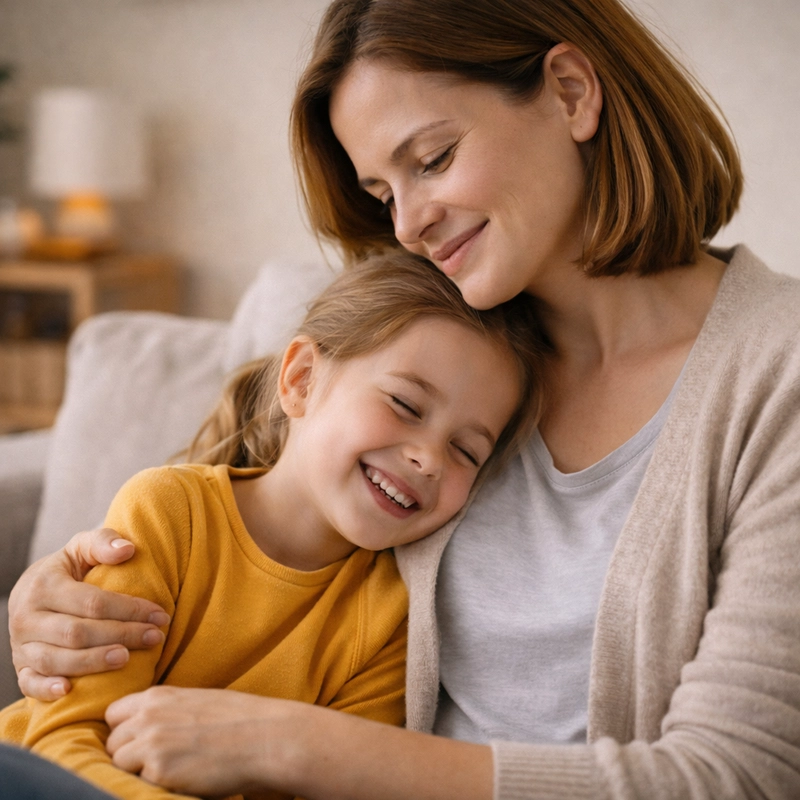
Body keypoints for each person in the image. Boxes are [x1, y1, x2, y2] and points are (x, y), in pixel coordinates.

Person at [8, 0, 800, 798]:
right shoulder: (450, 352)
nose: (411, 224)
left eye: (434, 157)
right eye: (383, 193)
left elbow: (741, 777)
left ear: (569, 91)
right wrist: (68, 597)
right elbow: (249, 517)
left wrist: (301, 748)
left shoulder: (777, 376)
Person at [0, 252, 543, 799]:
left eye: (466, 451)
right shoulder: (168, 511)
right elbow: (65, 739)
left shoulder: (388, 620)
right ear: (302, 380)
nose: (429, 459)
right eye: (405, 404)